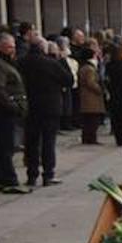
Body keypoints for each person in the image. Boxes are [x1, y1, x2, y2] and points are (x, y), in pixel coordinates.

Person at [18, 39, 72, 186]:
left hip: (30, 106)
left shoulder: (22, 62)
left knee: (31, 142)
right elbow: (69, 80)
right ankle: (48, 174)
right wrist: (62, 60)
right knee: (48, 142)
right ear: (44, 49)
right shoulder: (51, 63)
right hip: (50, 107)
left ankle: (32, 174)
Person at [0, 33, 28, 194]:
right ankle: (8, 179)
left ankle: (1, 178)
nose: (13, 49)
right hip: (3, 112)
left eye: (14, 46)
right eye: (10, 46)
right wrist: (14, 106)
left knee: (4, 145)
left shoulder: (3, 62)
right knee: (5, 146)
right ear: (0, 46)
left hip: (7, 110)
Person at [75, 43, 106, 145]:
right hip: (91, 98)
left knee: (88, 120)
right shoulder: (89, 69)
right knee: (92, 120)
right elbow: (91, 82)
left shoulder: (83, 67)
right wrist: (99, 89)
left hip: (86, 98)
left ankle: (87, 138)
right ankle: (91, 138)